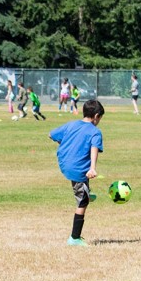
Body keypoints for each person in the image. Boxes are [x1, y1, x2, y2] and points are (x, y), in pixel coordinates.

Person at [49, 100, 105, 247]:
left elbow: (51, 134)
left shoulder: (71, 124)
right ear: (96, 116)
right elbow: (94, 149)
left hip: (65, 163)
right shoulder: (95, 131)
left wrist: (67, 145)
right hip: (77, 168)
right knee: (82, 202)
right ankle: (74, 238)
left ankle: (86, 192)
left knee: (82, 182)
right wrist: (92, 167)